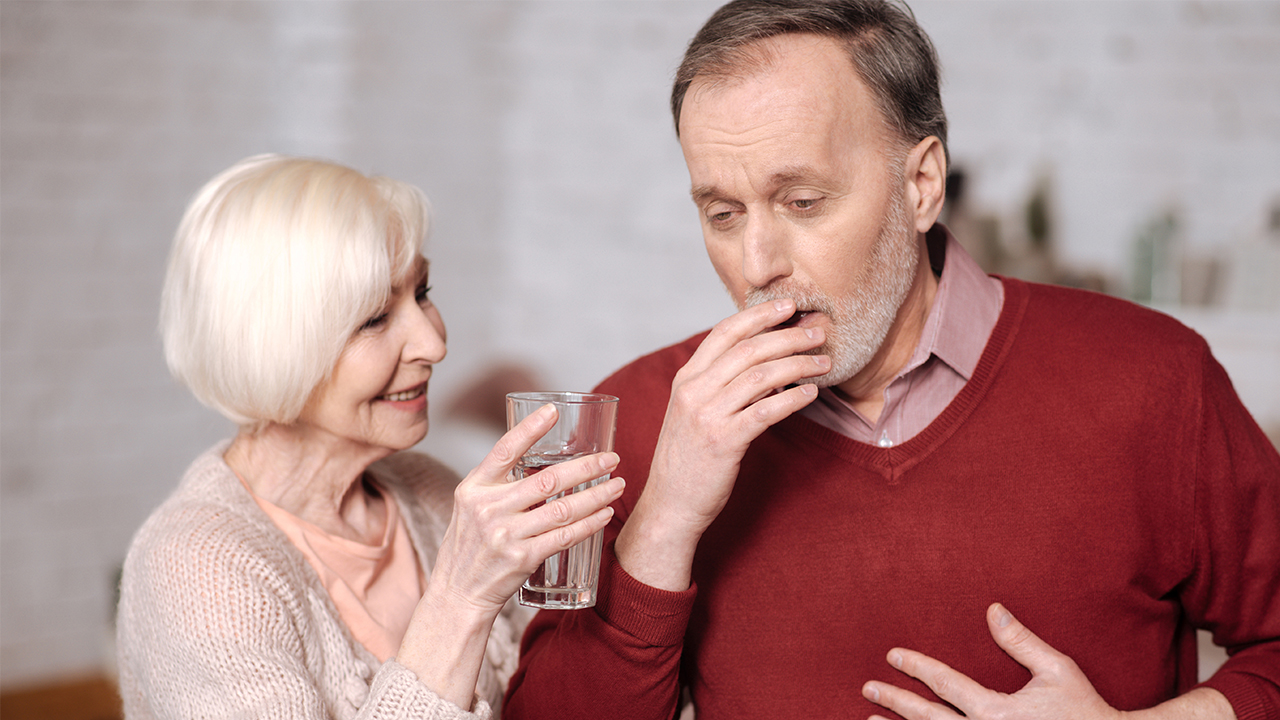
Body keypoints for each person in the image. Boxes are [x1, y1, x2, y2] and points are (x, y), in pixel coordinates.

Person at [503, 2, 1280, 719]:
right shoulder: (639, 418)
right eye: (722, 213)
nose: (758, 262)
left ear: (921, 184)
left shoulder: (1153, 378)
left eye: (803, 202)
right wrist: (666, 517)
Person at [115, 154, 625, 720]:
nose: (433, 343)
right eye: (376, 317)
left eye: (423, 292)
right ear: (274, 345)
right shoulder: (196, 567)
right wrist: (459, 600)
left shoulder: (430, 491)